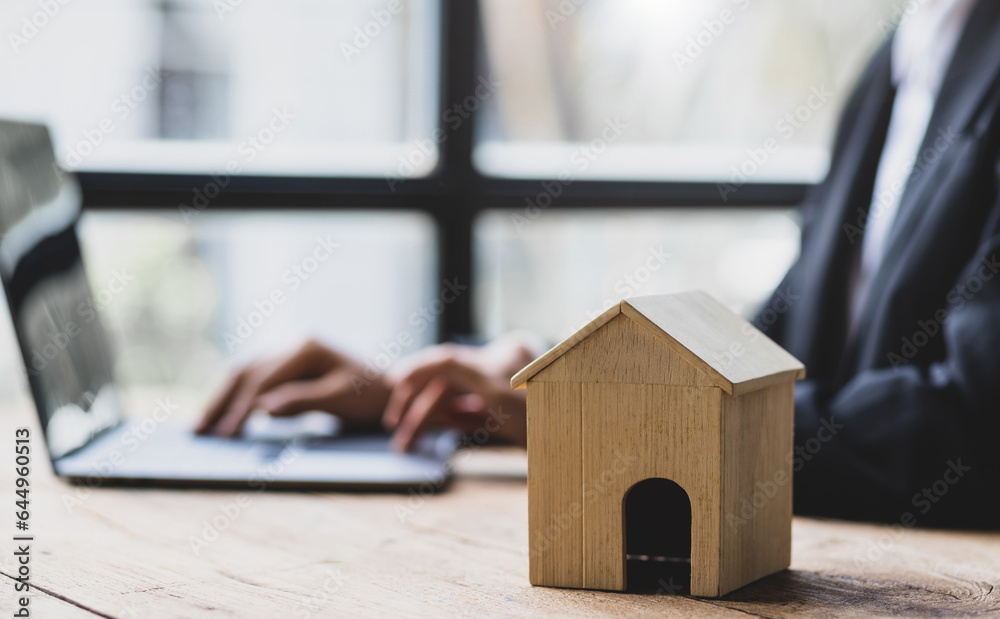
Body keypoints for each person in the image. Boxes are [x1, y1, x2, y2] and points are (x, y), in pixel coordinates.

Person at [198, 0, 1000, 528]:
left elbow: (973, 429)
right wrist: (466, 391)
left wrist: (592, 416)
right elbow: (773, 364)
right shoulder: (902, 60)